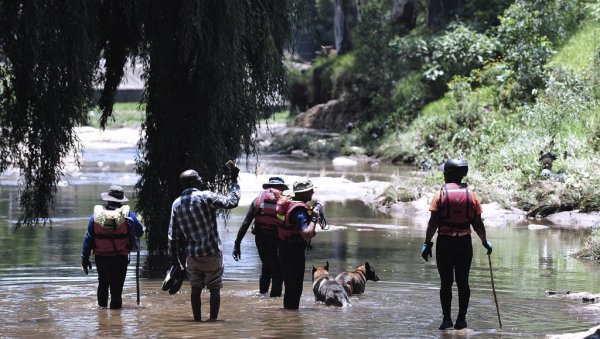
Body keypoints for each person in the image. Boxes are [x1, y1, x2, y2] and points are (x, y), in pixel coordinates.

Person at [421, 159, 492, 330]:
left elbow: (433, 223)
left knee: (446, 283)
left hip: (445, 244)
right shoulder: (472, 196)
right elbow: (477, 223)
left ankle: (446, 320)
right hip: (464, 244)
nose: (443, 175)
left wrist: (427, 243)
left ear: (448, 175)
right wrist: (484, 241)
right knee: (463, 282)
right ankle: (461, 320)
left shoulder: (440, 195)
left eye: (444, 173)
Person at [169, 164, 240, 322]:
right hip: (212, 253)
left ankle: (197, 322)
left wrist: (175, 261)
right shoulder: (206, 197)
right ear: (194, 182)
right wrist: (234, 179)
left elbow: (173, 236)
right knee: (214, 287)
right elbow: (232, 202)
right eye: (199, 179)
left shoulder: (176, 204)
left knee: (195, 287)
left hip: (192, 256)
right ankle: (213, 322)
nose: (202, 181)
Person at [81, 185, 145, 309]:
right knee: (117, 289)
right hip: (120, 258)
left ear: (108, 199)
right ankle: (117, 320)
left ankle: (102, 317)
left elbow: (88, 238)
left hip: (101, 258)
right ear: (121, 201)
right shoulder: (128, 215)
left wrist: (85, 258)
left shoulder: (96, 216)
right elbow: (140, 232)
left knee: (103, 284)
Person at [232, 177, 288, 297]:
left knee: (266, 267)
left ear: (268, 188)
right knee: (277, 273)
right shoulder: (285, 202)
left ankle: (262, 297)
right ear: (282, 188)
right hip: (277, 240)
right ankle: (274, 303)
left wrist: (237, 244)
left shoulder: (257, 200)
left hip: (261, 239)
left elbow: (246, 223)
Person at [276, 178, 319, 310]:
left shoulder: (288, 203)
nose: (312, 192)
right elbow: (306, 234)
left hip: (283, 249)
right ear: (304, 193)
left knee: (289, 286)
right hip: (294, 252)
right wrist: (314, 218)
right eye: (310, 190)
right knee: (295, 288)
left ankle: (287, 315)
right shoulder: (299, 211)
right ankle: (292, 318)